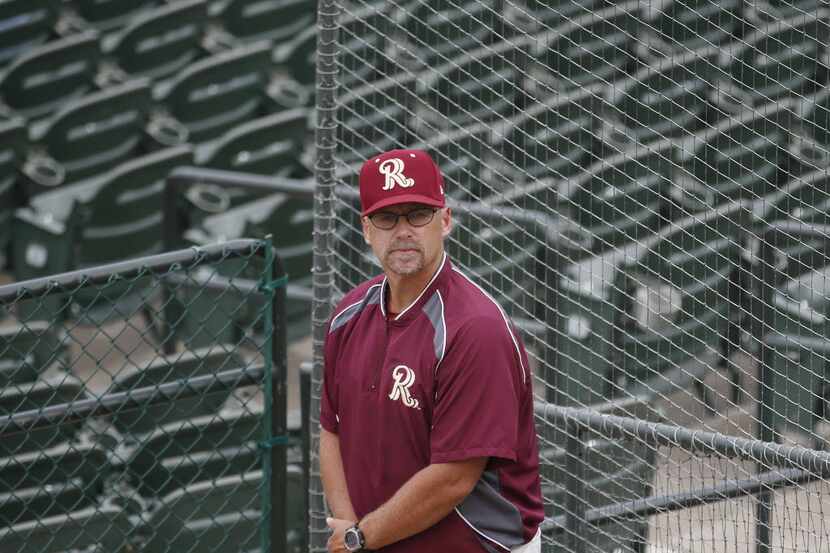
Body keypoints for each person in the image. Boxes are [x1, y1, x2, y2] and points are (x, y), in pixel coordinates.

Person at [320, 149, 544, 553]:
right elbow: (331, 430)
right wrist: (351, 531)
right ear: (366, 229)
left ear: (445, 220)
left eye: (417, 214)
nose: (403, 230)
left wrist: (360, 538)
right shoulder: (347, 316)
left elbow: (454, 478)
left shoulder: (475, 330)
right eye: (387, 218)